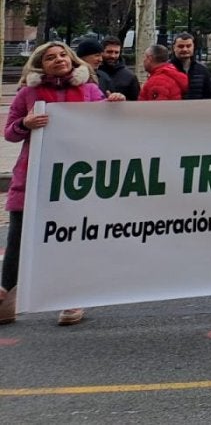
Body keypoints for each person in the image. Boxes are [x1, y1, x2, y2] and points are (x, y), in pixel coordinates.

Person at [3, 42, 124, 326]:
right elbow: (10, 133)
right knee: (18, 239)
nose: (58, 60)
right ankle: (6, 295)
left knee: (71, 238)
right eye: (50, 57)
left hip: (75, 180)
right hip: (32, 176)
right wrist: (26, 123)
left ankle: (71, 297)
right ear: (39, 64)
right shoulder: (28, 93)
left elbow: (104, 126)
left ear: (72, 60)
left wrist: (114, 107)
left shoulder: (89, 91)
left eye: (62, 55)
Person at [95, 37, 142, 101]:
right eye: (109, 52)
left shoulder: (130, 76)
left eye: (116, 52)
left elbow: (136, 102)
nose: (113, 56)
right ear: (101, 52)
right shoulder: (93, 73)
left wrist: (122, 100)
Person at [171, 32, 211, 100]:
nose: (185, 49)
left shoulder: (203, 70)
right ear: (174, 48)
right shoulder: (165, 69)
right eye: (181, 46)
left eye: (188, 46)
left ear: (193, 47)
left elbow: (208, 95)